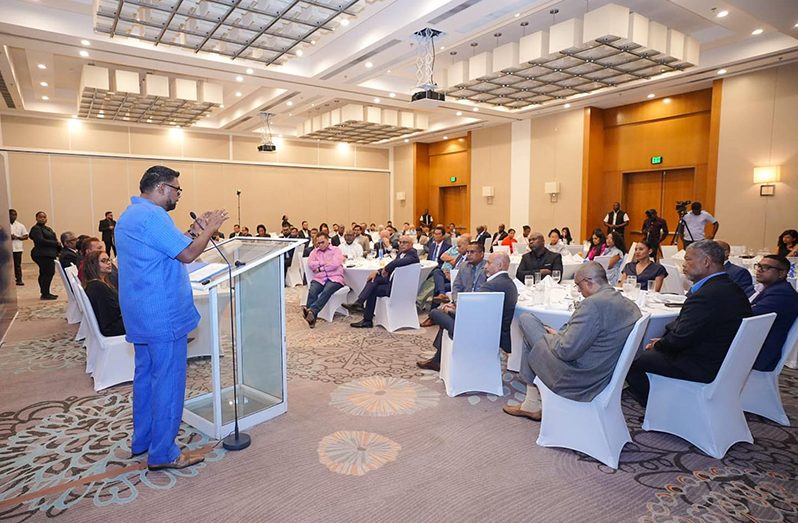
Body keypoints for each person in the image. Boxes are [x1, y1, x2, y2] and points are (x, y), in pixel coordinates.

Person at [116, 165, 228, 471]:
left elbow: (168, 248)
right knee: (168, 381)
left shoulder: (130, 215)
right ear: (163, 188)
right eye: (177, 190)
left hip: (140, 312)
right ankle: (163, 452)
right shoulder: (154, 216)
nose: (178, 195)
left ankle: (144, 440)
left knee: (146, 378)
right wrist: (210, 228)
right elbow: (188, 255)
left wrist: (195, 230)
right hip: (162, 314)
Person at [504, 262, 641, 421]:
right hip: (603, 372)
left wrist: (554, 337)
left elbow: (565, 351)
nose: (579, 292)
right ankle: (531, 403)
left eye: (578, 286)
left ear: (588, 282)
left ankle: (531, 403)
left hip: (576, 376)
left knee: (527, 321)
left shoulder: (592, 305)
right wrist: (560, 335)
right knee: (539, 333)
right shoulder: (630, 305)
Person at [626, 240, 752, 406]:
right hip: (726, 360)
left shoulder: (706, 295)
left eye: (688, 259)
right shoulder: (731, 288)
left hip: (702, 363)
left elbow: (680, 339)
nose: (683, 265)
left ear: (706, 262)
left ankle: (660, 407)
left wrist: (660, 345)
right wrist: (665, 341)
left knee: (633, 360)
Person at [417, 251, 518, 372]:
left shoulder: (490, 286)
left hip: (476, 333)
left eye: (489, 263)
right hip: (496, 332)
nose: (485, 266)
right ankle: (436, 360)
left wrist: (451, 311)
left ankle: (437, 360)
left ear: (500, 265)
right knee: (445, 319)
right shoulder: (510, 284)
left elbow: (471, 315)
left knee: (435, 312)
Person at [347, 235, 420, 328]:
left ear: (411, 244)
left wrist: (386, 268)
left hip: (398, 289)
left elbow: (396, 263)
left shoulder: (412, 255)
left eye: (405, 242)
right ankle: (361, 305)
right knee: (373, 280)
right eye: (400, 242)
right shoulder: (402, 254)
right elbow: (394, 264)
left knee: (372, 287)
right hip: (394, 284)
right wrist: (378, 271)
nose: (401, 245)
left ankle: (364, 312)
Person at [749, 255, 798, 371]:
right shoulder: (763, 289)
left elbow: (749, 315)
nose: (759, 270)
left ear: (782, 273)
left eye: (766, 267)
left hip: (759, 351)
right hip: (754, 343)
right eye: (759, 266)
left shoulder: (782, 294)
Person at [303, 232, 345, 328]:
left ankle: (312, 311)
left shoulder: (336, 250)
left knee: (327, 290)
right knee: (312, 291)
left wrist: (320, 267)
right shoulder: (314, 252)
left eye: (323, 242)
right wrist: (325, 262)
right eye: (318, 243)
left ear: (328, 240)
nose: (320, 245)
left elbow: (335, 264)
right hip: (320, 278)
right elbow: (311, 264)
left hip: (335, 277)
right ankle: (312, 319)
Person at [80, 250, 125, 337]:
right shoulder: (98, 287)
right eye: (103, 261)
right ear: (93, 265)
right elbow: (111, 315)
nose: (108, 263)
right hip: (112, 328)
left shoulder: (98, 283)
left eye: (108, 260)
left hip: (114, 323)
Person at [29, 211, 60, 300]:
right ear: (36, 218)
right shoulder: (36, 228)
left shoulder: (48, 228)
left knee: (45, 273)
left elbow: (54, 238)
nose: (42, 218)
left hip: (49, 254)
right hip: (41, 254)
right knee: (48, 272)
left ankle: (45, 292)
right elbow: (40, 241)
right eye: (40, 217)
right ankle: (45, 293)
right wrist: (55, 243)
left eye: (44, 217)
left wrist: (57, 246)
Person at [425, 226, 452, 302]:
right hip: (430, 268)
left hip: (440, 269)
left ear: (443, 236)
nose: (436, 236)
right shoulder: (432, 246)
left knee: (434, 279)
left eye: (438, 234)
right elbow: (429, 259)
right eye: (435, 234)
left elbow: (446, 263)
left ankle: (430, 304)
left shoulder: (448, 247)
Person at [9, 209, 29, 286]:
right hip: (7, 249)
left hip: (17, 248)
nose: (13, 216)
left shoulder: (20, 225)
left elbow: (26, 236)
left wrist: (17, 237)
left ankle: (19, 279)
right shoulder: (3, 224)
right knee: (7, 266)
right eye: (11, 214)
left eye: (15, 215)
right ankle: (8, 280)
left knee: (17, 265)